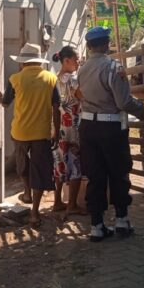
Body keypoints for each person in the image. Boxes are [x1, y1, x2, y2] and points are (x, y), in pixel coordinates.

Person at [78, 26, 144, 242]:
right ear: (107, 44)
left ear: (89, 46)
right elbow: (123, 102)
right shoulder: (114, 67)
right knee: (118, 173)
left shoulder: (82, 69)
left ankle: (97, 226)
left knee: (95, 175)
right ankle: (122, 221)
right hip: (111, 128)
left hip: (87, 127)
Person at [0, 43, 62, 227]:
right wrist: (56, 132)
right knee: (39, 170)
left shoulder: (15, 79)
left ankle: (26, 192)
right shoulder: (50, 78)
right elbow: (56, 108)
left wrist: (1, 98)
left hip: (20, 132)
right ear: (39, 61)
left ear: (23, 62)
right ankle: (35, 213)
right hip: (42, 133)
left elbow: (5, 103)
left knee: (22, 164)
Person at [51, 46, 87, 217]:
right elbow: (83, 97)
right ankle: (72, 204)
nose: (78, 62)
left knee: (60, 164)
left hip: (59, 128)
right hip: (73, 127)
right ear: (66, 61)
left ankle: (57, 201)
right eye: (76, 59)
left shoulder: (55, 78)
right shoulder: (73, 79)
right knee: (75, 166)